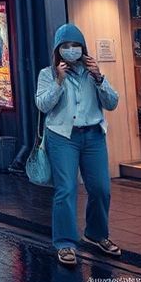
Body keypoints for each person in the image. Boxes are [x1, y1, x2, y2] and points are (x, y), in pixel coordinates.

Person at [35, 23, 121, 266]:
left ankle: (96, 234)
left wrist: (100, 78)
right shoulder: (47, 74)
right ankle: (64, 243)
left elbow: (112, 102)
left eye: (75, 45)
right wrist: (59, 82)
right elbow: (42, 105)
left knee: (101, 188)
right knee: (66, 189)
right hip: (62, 136)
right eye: (65, 46)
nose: (71, 49)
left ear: (83, 48)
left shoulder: (93, 72)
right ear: (57, 50)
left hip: (93, 135)